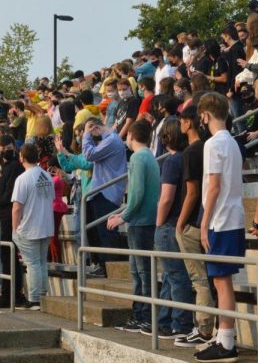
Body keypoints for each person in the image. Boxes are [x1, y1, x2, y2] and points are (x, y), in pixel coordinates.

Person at [193, 92, 246, 363]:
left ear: (205, 115)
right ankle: (224, 336)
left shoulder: (213, 144)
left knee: (221, 282)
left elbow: (213, 186)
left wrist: (203, 223)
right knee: (223, 281)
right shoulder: (233, 143)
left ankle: (226, 340)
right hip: (233, 217)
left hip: (220, 219)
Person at [108, 121, 161, 333]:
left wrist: (124, 217)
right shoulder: (150, 157)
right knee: (140, 272)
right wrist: (123, 213)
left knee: (142, 272)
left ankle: (144, 316)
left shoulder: (139, 158)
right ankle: (140, 314)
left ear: (130, 135)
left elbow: (137, 195)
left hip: (140, 223)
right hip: (142, 220)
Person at [173, 105, 215, 348]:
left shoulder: (191, 151)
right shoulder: (208, 146)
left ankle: (204, 328)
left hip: (193, 223)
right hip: (207, 220)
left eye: (182, 121)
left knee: (199, 280)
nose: (180, 125)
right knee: (209, 279)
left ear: (189, 123)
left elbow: (192, 192)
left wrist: (180, 222)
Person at [152, 118, 195, 339]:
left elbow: (166, 197)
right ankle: (166, 321)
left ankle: (180, 324)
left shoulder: (171, 162)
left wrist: (158, 223)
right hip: (185, 221)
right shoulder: (188, 157)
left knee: (176, 276)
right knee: (171, 276)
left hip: (170, 224)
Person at [11, 143, 55, 311]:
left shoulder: (23, 178)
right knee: (41, 262)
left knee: (33, 264)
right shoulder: (46, 176)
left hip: (29, 227)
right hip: (46, 225)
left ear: (22, 158)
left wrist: (15, 229)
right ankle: (42, 296)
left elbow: (17, 207)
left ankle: (35, 299)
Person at [82, 117, 128, 276]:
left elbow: (88, 155)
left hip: (107, 193)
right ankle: (101, 265)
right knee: (95, 231)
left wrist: (86, 136)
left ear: (95, 128)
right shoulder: (108, 140)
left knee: (106, 232)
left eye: (90, 133)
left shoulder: (112, 140)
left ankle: (111, 268)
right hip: (99, 191)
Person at [0, 135, 26, 308]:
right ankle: (9, 293)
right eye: (1, 147)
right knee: (5, 257)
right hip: (3, 217)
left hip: (8, 219)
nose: (4, 150)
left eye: (7, 146)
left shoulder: (15, 167)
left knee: (9, 257)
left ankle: (11, 295)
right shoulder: (7, 167)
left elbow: (10, 196)